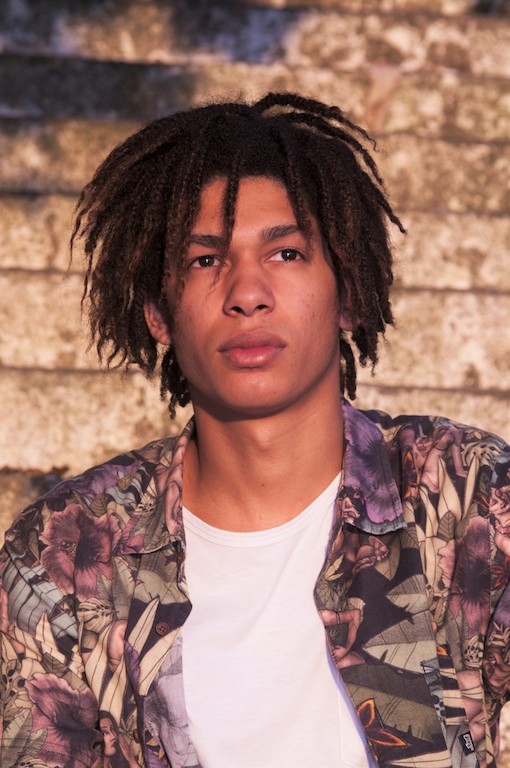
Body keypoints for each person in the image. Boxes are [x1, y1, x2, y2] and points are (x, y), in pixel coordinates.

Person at [0, 92, 508, 768]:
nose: (247, 293)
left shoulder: (474, 499)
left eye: (286, 253)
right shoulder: (62, 555)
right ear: (158, 314)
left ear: (348, 292)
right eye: (205, 261)